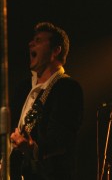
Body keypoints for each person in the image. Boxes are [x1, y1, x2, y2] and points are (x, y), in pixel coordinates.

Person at [9, 22, 84, 180]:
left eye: (38, 40)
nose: (31, 43)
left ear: (56, 51)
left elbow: (62, 141)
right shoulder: (23, 87)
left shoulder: (67, 88)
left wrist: (32, 149)